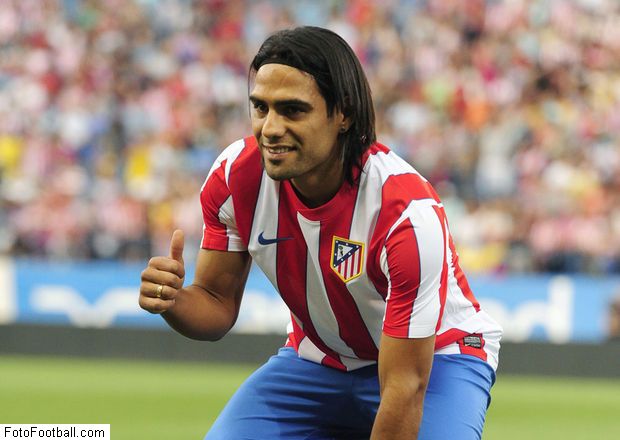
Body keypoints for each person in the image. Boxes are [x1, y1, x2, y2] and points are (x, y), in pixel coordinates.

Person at [139, 26, 502, 440]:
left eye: (292, 110)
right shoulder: (234, 178)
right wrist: (172, 301)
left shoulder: (404, 214)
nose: (270, 128)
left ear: (342, 113)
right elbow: (217, 305)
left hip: (439, 361)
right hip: (319, 359)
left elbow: (405, 386)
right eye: (261, 108)